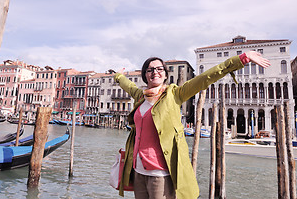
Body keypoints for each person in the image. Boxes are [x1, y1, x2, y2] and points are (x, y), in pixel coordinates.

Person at [113, 51, 270, 199]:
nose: (155, 72)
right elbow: (127, 85)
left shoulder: (175, 95)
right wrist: (118, 75)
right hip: (138, 170)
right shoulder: (140, 97)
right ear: (145, 75)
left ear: (166, 74)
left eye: (159, 68)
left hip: (160, 172)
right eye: (150, 69)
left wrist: (241, 59)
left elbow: (206, 77)